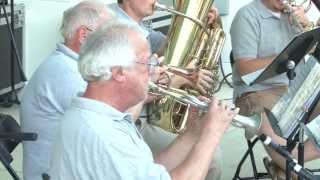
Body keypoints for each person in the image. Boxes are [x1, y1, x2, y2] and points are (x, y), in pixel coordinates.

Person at [49, 21, 239, 180]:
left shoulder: (101, 115)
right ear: (119, 72)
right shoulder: (103, 134)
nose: (156, 71)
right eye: (147, 62)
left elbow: (153, 170)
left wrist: (193, 133)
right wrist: (212, 134)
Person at [109, 1, 224, 179]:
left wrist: (201, 25)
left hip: (144, 114)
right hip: (134, 123)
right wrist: (181, 78)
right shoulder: (113, 27)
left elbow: (167, 52)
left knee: (207, 144)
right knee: (212, 157)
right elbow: (124, 95)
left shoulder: (140, 24)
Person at [20, 2, 114, 180]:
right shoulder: (67, 72)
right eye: (109, 35)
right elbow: (110, 131)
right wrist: (140, 92)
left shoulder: (73, 65)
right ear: (84, 35)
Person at [230, 0, 319, 178]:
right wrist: (287, 56)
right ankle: (288, 166)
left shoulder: (291, 15)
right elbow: (245, 67)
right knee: (267, 124)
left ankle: (285, 164)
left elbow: (312, 50)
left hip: (293, 89)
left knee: (289, 161)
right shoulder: (246, 16)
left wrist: (308, 27)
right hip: (256, 92)